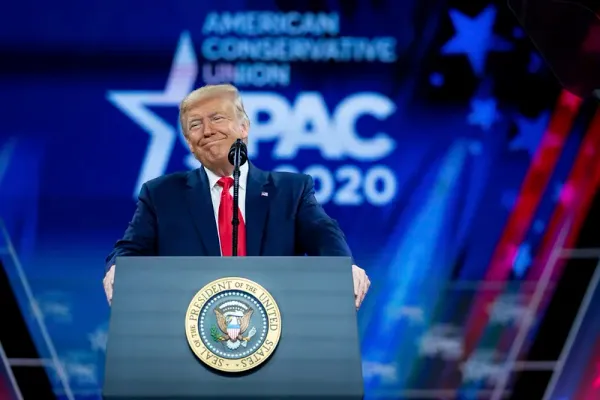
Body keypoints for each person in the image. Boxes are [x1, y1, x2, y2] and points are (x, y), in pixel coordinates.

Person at [103, 83, 370, 308]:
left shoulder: (291, 190)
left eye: (217, 118)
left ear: (244, 127)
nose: (207, 131)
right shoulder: (161, 195)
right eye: (195, 125)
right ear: (189, 143)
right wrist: (119, 269)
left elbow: (324, 234)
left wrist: (342, 267)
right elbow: (130, 250)